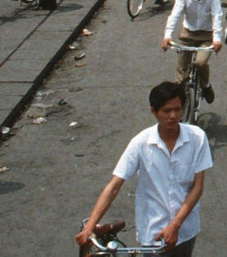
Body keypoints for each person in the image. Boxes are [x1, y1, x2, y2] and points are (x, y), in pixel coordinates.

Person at [75, 81, 212, 256]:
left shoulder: (197, 138)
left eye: (177, 109)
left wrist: (175, 225)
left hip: (185, 229)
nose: (173, 116)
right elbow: (114, 186)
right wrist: (90, 226)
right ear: (154, 112)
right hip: (153, 231)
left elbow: (197, 186)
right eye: (166, 111)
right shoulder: (141, 143)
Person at [162, 0, 223, 105]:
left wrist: (217, 39)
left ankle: (205, 85)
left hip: (207, 35)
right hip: (188, 34)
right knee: (180, 77)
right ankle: (181, 106)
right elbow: (174, 15)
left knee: (200, 63)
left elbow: (217, 16)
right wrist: (167, 36)